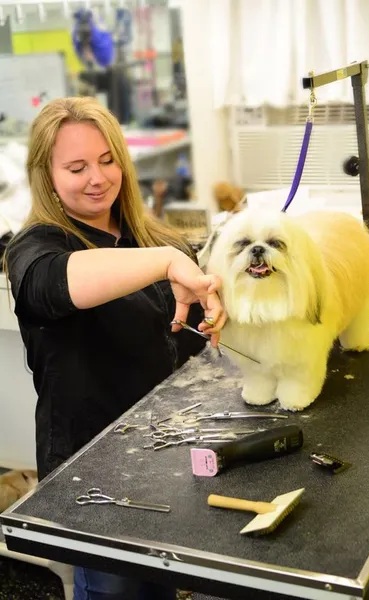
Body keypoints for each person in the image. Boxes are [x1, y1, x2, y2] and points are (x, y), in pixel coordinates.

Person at [3, 97, 226, 600]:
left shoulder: (151, 239)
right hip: (93, 478)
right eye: (77, 167)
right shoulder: (35, 250)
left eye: (107, 161)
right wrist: (167, 261)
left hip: (165, 457)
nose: (97, 178)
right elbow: (57, 284)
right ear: (47, 175)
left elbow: (187, 340)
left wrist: (214, 303)